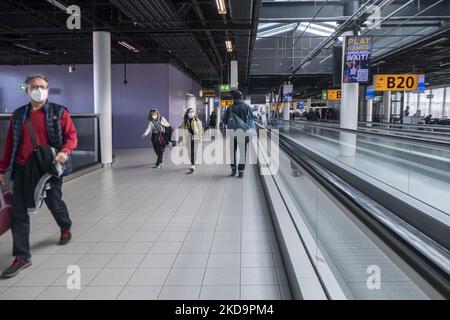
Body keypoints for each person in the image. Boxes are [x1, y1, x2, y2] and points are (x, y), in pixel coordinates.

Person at [0, 74, 78, 278]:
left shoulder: (58, 112)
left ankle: (65, 225)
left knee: (54, 202)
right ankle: (22, 257)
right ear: (27, 89)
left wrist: (64, 152)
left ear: (48, 89)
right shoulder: (18, 115)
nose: (39, 89)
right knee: (18, 213)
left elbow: (72, 136)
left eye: (43, 86)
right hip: (22, 169)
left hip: (48, 167)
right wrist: (2, 169)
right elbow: (10, 144)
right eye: (35, 86)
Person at [223, 90, 254, 178]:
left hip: (233, 133)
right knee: (243, 152)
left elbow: (225, 121)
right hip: (244, 133)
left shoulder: (230, 108)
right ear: (241, 97)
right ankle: (241, 171)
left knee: (232, 151)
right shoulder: (246, 107)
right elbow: (251, 119)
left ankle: (233, 169)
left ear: (233, 98)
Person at [180, 108, 204, 174]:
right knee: (189, 151)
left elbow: (201, 129)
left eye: (192, 112)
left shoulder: (197, 120)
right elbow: (182, 130)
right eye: (190, 112)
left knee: (193, 151)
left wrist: (201, 138)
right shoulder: (184, 121)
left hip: (195, 137)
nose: (191, 113)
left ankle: (193, 165)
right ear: (187, 113)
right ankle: (192, 162)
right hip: (188, 138)